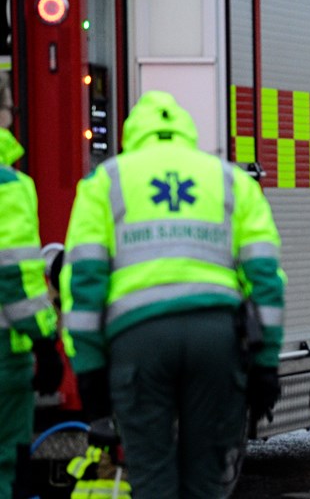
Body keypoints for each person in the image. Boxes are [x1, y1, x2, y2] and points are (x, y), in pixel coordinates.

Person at [61, 90, 286, 499]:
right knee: (206, 482)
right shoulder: (228, 179)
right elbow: (266, 278)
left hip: (138, 340)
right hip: (216, 338)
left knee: (151, 479)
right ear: (186, 133)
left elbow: (84, 284)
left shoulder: (105, 182)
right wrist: (267, 363)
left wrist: (90, 373)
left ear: (132, 135)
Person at [0, 96, 63, 499]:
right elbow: (15, 276)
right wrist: (44, 342)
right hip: (5, 350)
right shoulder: (10, 185)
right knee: (7, 457)